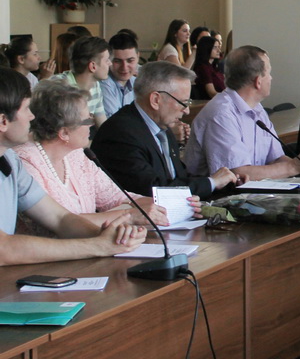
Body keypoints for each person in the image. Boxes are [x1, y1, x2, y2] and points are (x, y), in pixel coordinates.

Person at [0, 68, 146, 266]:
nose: (32, 117)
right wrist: (97, 245)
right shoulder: (22, 156)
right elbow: (3, 249)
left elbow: (60, 218)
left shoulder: (10, 159)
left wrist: (107, 236)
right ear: (3, 121)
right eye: (26, 109)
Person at [15, 81, 175, 230]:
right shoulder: (26, 161)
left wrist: (169, 204)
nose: (92, 125)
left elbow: (117, 197)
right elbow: (61, 223)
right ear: (64, 133)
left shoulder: (76, 154)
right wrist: (129, 216)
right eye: (87, 120)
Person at [92, 61, 239, 199]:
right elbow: (153, 191)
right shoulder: (120, 134)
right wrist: (211, 182)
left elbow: (178, 179)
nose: (187, 111)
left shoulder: (161, 127)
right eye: (183, 102)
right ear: (156, 100)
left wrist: (227, 184)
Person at [184, 46, 300, 179]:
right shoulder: (221, 114)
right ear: (258, 81)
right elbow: (237, 174)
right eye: (269, 73)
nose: (271, 78)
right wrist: (294, 167)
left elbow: (275, 159)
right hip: (218, 197)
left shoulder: (257, 108)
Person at [51, 36, 111, 128]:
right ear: (93, 66)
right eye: (107, 60)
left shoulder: (95, 85)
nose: (110, 63)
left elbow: (103, 126)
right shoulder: (58, 86)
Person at [100, 32, 139, 116]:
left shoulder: (138, 83)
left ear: (138, 57)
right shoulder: (103, 84)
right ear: (108, 59)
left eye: (130, 60)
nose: (124, 67)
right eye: (117, 61)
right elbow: (114, 122)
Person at [192, 35, 226, 100]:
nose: (219, 50)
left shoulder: (214, 67)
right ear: (206, 48)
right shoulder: (204, 68)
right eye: (215, 47)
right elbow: (211, 93)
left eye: (218, 47)